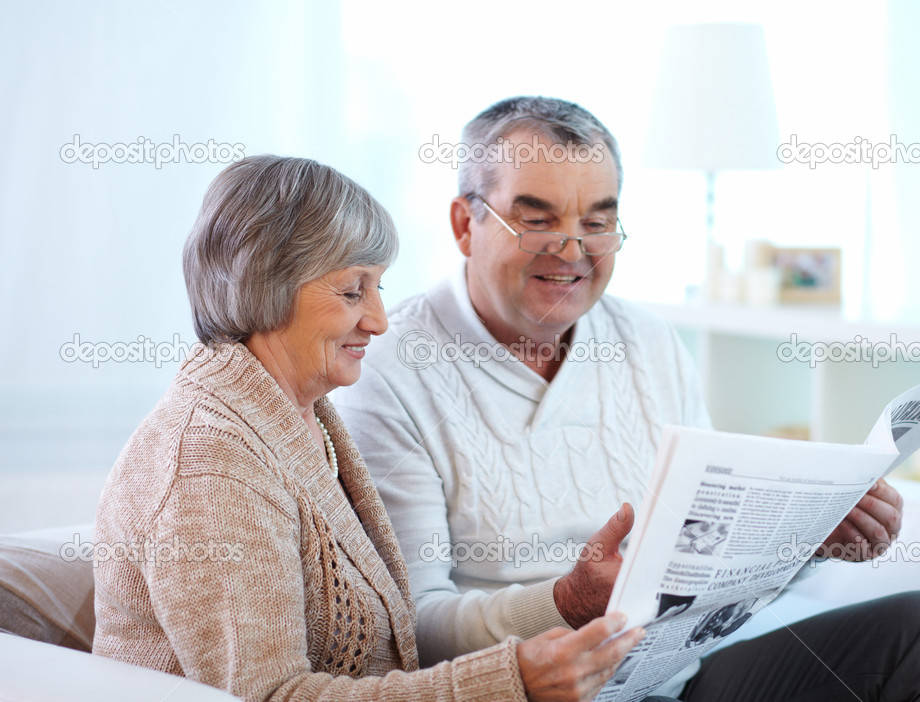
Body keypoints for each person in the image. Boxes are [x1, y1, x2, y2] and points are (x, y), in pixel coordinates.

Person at [334, 97, 920, 700]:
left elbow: (713, 570)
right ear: (463, 223)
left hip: (671, 675)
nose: (572, 250)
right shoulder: (388, 367)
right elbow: (413, 629)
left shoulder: (648, 340)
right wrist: (566, 602)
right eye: (537, 219)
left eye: (598, 222)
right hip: (538, 688)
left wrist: (809, 536)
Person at [91, 154, 645, 702]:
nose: (379, 320)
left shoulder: (298, 413)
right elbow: (269, 697)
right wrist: (510, 683)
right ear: (266, 283)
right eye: (353, 290)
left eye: (379, 287)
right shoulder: (212, 465)